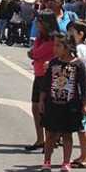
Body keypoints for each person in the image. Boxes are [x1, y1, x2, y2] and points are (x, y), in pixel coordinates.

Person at [39, 33, 86, 172]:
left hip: (70, 106)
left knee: (67, 135)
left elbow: (83, 87)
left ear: (68, 47)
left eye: (58, 46)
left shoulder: (78, 64)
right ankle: (47, 161)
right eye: (54, 45)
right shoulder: (53, 63)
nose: (55, 48)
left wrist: (85, 104)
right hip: (53, 104)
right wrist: (42, 100)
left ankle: (66, 162)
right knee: (50, 135)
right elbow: (46, 84)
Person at [25, 10, 58, 151]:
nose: (37, 25)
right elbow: (33, 52)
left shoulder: (54, 39)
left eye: (39, 22)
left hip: (48, 76)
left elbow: (36, 53)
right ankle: (40, 140)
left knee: (45, 110)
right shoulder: (41, 37)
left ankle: (50, 140)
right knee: (35, 107)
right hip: (39, 74)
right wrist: (34, 54)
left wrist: (34, 54)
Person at [67, 20, 86, 168]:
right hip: (80, 91)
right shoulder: (81, 47)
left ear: (80, 34)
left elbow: (83, 70)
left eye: (71, 31)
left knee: (82, 126)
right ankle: (84, 154)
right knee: (80, 125)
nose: (68, 34)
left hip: (82, 92)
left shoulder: (80, 49)